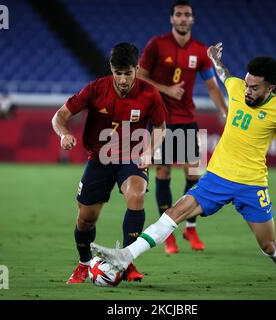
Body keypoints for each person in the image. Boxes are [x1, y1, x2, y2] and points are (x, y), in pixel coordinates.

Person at [90, 42, 276, 288]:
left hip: (251, 185)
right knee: (173, 214)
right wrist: (215, 59)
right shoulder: (237, 86)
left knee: (268, 245)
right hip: (216, 178)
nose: (247, 91)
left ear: (270, 88)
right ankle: (126, 256)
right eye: (247, 83)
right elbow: (225, 75)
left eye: (254, 87)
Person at [52, 42, 167, 284]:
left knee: (136, 195)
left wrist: (149, 151)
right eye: (118, 73)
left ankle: (126, 261)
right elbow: (60, 116)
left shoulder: (149, 93)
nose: (123, 79)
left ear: (137, 69)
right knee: (86, 219)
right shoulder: (96, 89)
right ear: (111, 69)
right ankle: (84, 264)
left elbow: (160, 127)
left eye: (128, 73)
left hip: (132, 158)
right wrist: (64, 134)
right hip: (99, 160)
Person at [137, 0, 228, 254]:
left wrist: (224, 111)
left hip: (187, 117)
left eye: (187, 14)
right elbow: (139, 75)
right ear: (172, 19)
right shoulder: (157, 44)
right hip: (160, 120)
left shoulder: (199, 51)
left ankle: (189, 225)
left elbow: (211, 85)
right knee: (163, 174)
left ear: (193, 20)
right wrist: (166, 89)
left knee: (195, 175)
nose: (183, 18)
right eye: (179, 14)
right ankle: (167, 234)